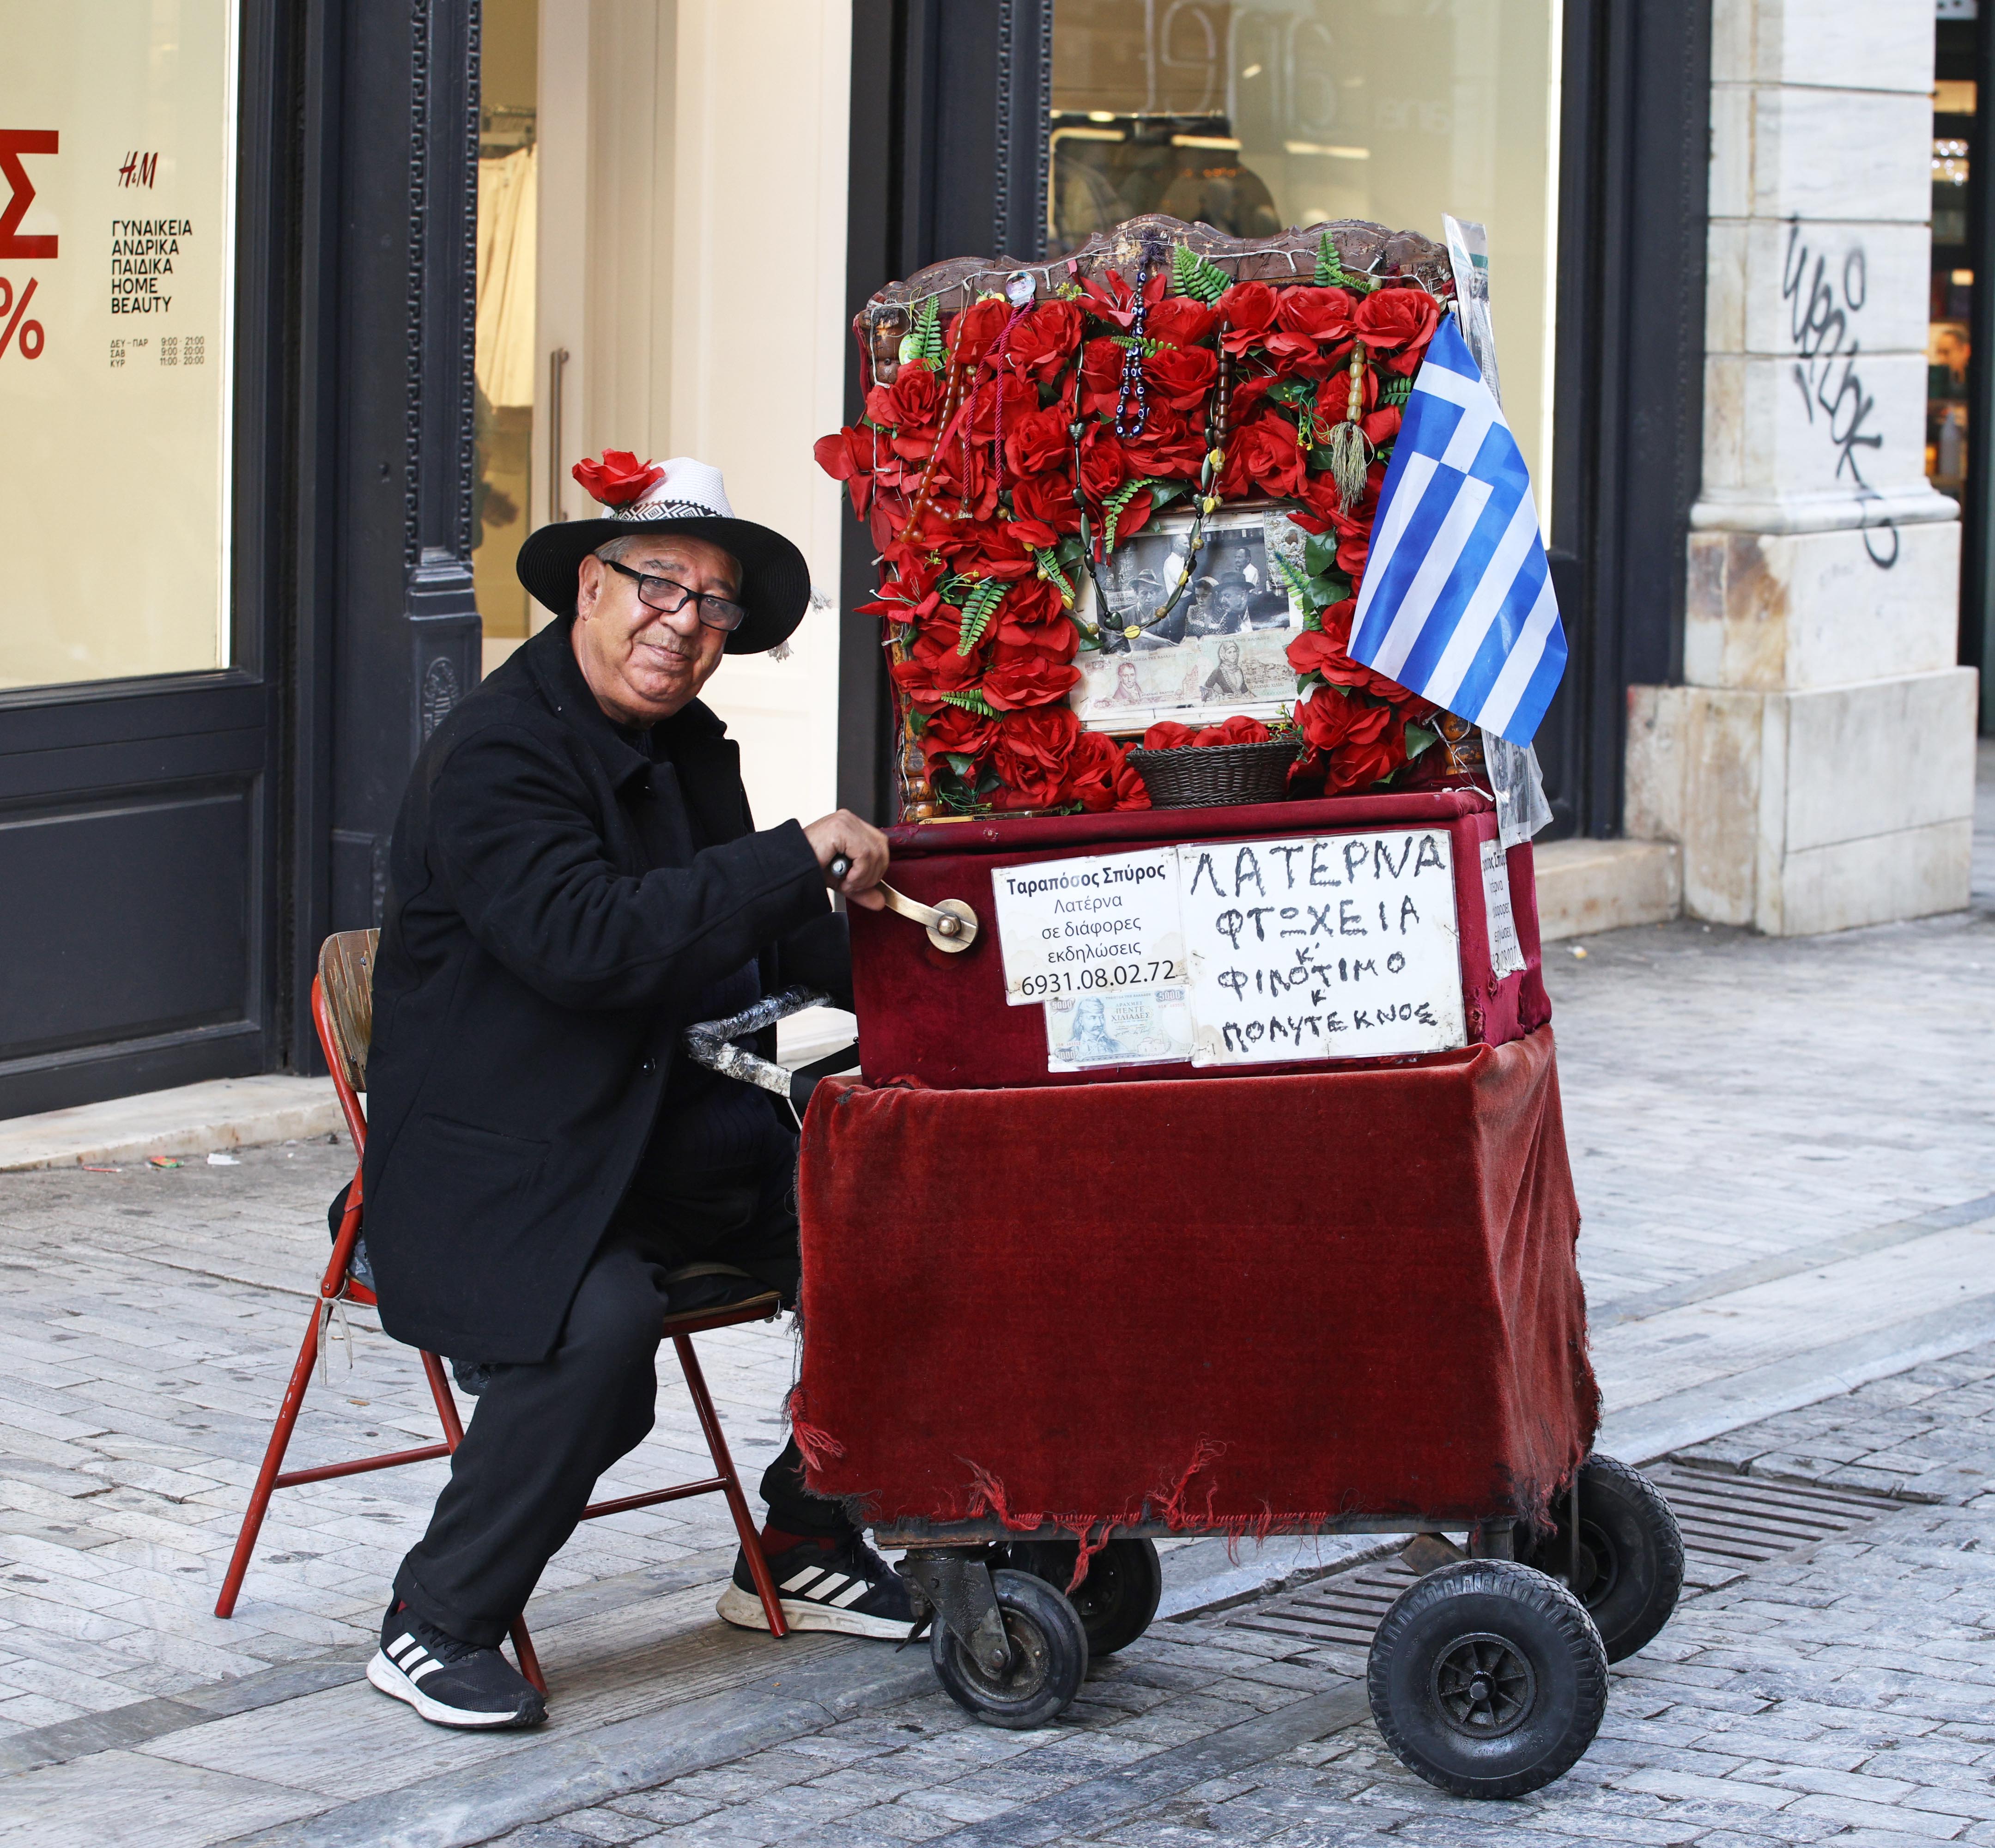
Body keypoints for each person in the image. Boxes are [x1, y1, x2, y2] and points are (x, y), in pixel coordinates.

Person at [356, 454, 916, 1733]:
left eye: (714, 607)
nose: (685, 624)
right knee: (601, 1340)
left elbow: (745, 937)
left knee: (895, 1224)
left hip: (651, 1131)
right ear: (590, 592)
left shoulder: (681, 746)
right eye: (661, 586)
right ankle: (434, 1621)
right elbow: (592, 942)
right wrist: (791, 860)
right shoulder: (497, 756)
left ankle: (800, 1535)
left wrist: (924, 946)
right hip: (499, 1160)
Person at [1202, 638, 1250, 702]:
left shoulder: (1239, 670)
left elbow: (1244, 690)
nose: (1233, 655)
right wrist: (1221, 697)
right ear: (1224, 655)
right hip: (1227, 705)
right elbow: (1206, 689)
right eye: (1229, 653)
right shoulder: (1218, 671)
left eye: (1235, 652)